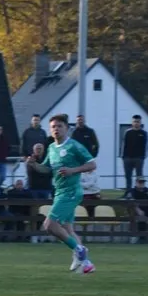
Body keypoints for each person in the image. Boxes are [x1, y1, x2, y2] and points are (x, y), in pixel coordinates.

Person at [40, 113, 98, 274]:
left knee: (49, 225)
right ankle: (86, 263)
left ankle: (79, 250)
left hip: (71, 192)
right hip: (60, 192)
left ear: (67, 128)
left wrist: (73, 170)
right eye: (53, 127)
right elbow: (45, 168)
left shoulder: (74, 146)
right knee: (68, 229)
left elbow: (92, 164)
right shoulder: (51, 148)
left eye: (60, 126)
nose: (56, 129)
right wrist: (32, 164)